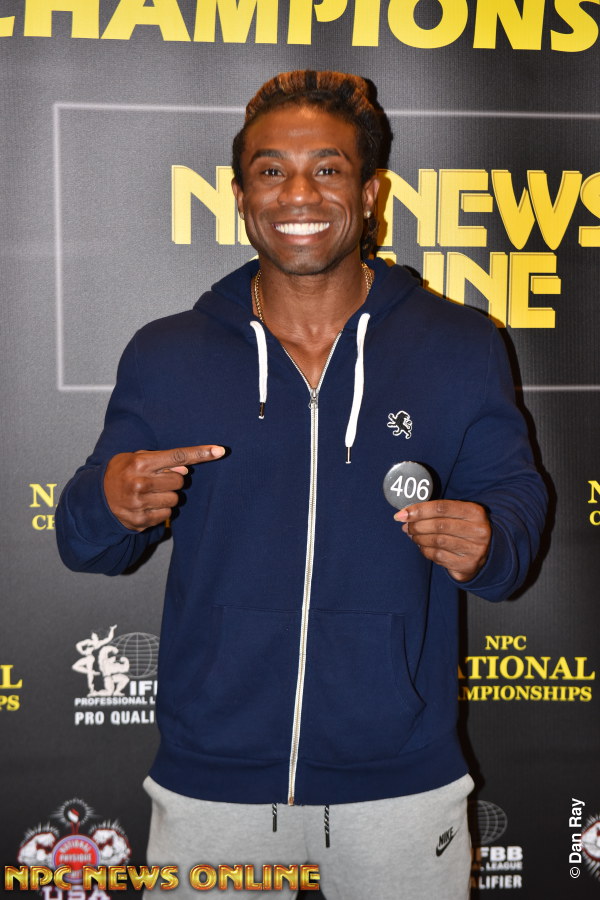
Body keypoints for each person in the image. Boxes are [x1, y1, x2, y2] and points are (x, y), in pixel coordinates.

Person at [56, 70, 547, 900]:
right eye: (271, 170)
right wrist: (109, 502)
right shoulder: (169, 353)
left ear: (370, 192)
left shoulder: (460, 345)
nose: (298, 193)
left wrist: (490, 540)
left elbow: (517, 506)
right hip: (213, 784)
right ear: (241, 196)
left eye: (327, 168)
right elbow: (83, 539)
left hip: (400, 783)